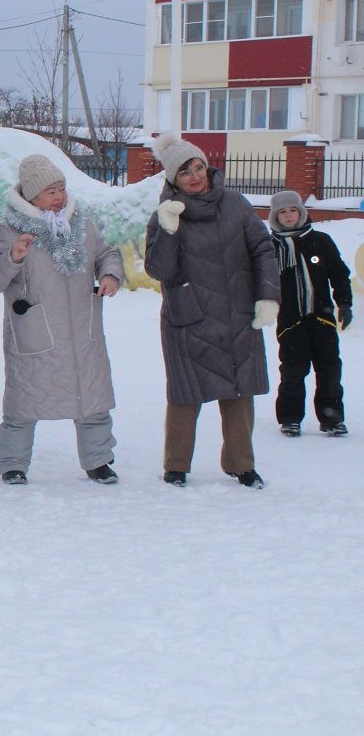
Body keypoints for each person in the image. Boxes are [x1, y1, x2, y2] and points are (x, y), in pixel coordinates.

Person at [0, 154, 125, 486]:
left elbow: (106, 253)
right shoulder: (10, 230)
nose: (59, 197)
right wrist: (13, 257)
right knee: (23, 403)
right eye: (50, 191)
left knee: (92, 400)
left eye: (61, 189)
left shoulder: (82, 225)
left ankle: (99, 460)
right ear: (31, 196)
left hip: (82, 331)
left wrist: (111, 275)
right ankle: (13, 464)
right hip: (35, 332)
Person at [145, 135, 279, 489]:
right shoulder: (165, 215)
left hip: (236, 311)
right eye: (184, 172)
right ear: (173, 179)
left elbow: (263, 250)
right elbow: (159, 270)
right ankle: (176, 465)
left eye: (198, 167)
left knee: (238, 389)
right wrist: (169, 231)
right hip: (190, 315)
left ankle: (241, 464)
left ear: (207, 166)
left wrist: (268, 297)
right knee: (185, 393)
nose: (194, 176)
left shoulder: (236, 204)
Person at [268, 189, 352, 437]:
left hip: (321, 317)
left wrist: (344, 304)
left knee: (329, 369)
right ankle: (290, 418)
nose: (289, 215)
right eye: (282, 212)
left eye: (293, 210)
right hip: (290, 320)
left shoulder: (321, 241)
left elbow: (339, 274)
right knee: (293, 370)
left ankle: (332, 418)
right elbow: (259, 280)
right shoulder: (270, 247)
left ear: (301, 212)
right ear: (275, 217)